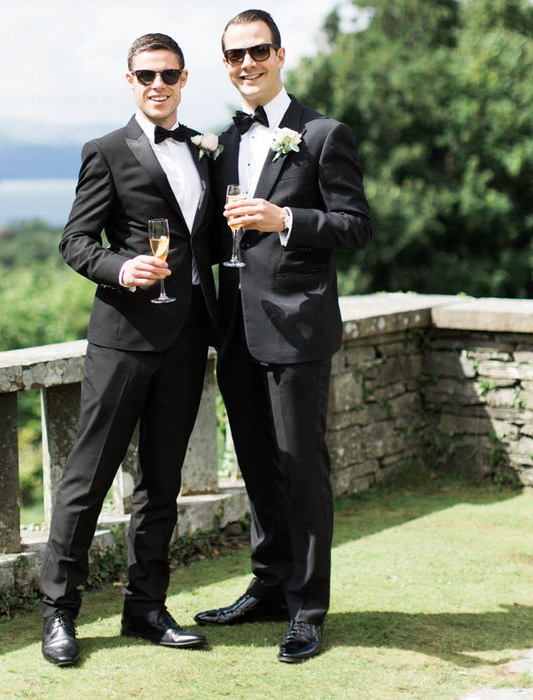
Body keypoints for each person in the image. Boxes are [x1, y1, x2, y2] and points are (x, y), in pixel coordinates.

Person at [193, 9, 372, 663]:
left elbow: (355, 225)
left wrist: (284, 217)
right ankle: (268, 584)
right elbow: (210, 233)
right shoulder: (222, 142)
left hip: (298, 327)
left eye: (258, 51)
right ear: (225, 64)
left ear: (280, 54)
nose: (248, 64)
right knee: (257, 464)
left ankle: (307, 608)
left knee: (302, 469)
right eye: (235, 55)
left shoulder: (323, 134)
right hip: (236, 327)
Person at [40, 32, 219, 666]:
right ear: (130, 80)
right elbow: (76, 240)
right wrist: (121, 269)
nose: (158, 84)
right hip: (122, 339)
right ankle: (60, 612)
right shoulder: (106, 151)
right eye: (146, 74)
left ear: (184, 78)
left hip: (190, 333)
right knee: (87, 479)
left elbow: (211, 240)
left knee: (162, 482)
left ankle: (146, 606)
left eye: (168, 74)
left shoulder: (205, 148)